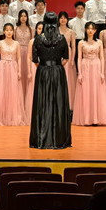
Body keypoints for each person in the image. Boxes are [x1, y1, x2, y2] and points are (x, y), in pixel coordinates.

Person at [29, 12, 72, 149]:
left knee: (42, 103)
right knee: (58, 103)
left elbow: (34, 59)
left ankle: (41, 139)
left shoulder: (38, 39)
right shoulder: (62, 38)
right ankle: (59, 139)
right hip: (58, 72)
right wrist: (56, 66)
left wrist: (44, 67)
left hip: (42, 71)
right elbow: (66, 58)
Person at [73, 22, 106, 126]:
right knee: (86, 91)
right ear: (85, 30)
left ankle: (96, 118)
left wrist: (102, 72)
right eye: (88, 28)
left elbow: (102, 57)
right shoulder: (81, 43)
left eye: (92, 29)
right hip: (85, 66)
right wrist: (80, 73)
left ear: (95, 31)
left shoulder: (99, 42)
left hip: (96, 66)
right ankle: (86, 118)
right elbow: (79, 58)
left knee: (96, 91)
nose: (90, 30)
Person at [0, 23, 26, 126]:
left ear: (13, 32)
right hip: (3, 66)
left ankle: (12, 116)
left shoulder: (16, 43)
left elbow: (19, 57)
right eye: (7, 30)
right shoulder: (0, 43)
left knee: (13, 90)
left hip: (13, 67)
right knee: (2, 90)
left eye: (10, 30)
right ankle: (1, 116)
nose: (9, 32)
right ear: (4, 32)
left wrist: (19, 71)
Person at [24, 22, 45, 123]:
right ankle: (32, 114)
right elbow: (29, 57)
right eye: (39, 28)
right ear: (36, 30)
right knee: (33, 89)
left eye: (42, 28)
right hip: (34, 66)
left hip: (44, 66)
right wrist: (29, 71)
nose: (40, 30)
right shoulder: (32, 41)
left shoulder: (47, 41)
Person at [58, 11, 77, 109]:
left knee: (69, 78)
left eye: (65, 18)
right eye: (61, 18)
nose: (63, 20)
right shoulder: (55, 30)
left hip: (68, 55)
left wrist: (72, 59)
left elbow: (73, 46)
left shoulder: (71, 32)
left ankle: (69, 101)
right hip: (58, 54)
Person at [14, 10, 34, 96]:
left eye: (25, 16)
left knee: (27, 72)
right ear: (19, 17)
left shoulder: (31, 29)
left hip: (28, 52)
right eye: (21, 16)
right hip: (17, 52)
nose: (23, 18)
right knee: (18, 72)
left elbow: (32, 42)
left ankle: (27, 94)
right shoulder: (15, 28)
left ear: (27, 17)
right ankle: (18, 94)